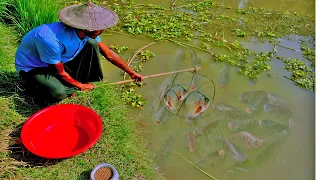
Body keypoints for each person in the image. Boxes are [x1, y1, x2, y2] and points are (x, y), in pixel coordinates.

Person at [15, 2, 143, 103]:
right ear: (86, 28)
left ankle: (76, 84)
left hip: (59, 61)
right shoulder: (50, 39)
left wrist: (131, 72)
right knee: (58, 93)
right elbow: (59, 72)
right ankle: (42, 88)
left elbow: (108, 54)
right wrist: (80, 85)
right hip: (34, 67)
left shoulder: (88, 33)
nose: (103, 29)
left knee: (92, 44)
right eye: (101, 28)